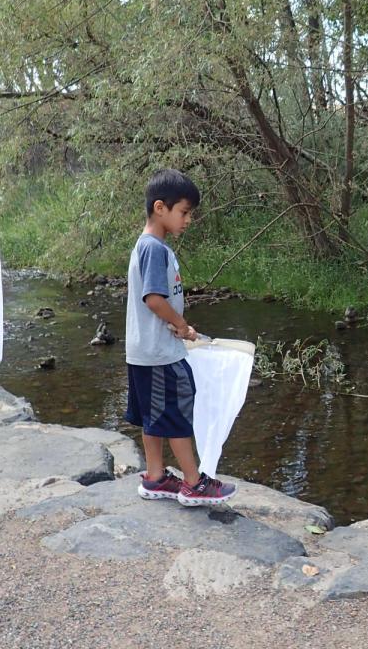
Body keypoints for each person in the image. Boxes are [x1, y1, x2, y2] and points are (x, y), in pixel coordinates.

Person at [125, 169, 235, 506]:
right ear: (161, 208)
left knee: (153, 417)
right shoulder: (154, 249)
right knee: (175, 414)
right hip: (160, 354)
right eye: (184, 213)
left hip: (143, 352)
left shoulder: (148, 247)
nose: (188, 220)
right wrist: (182, 326)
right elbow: (154, 298)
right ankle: (193, 483)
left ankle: (156, 476)